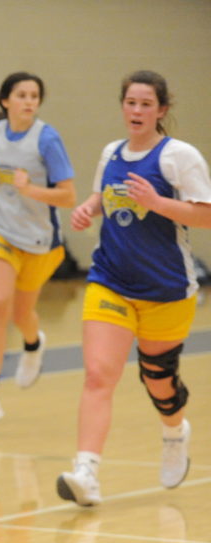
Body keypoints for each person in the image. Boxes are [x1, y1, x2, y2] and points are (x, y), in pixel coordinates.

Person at [56, 70, 211, 506]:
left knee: (158, 381)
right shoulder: (111, 153)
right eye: (130, 102)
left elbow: (206, 215)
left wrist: (157, 203)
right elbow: (102, 197)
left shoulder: (179, 156)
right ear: (122, 106)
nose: (137, 110)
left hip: (166, 288)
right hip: (111, 280)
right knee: (98, 374)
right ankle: (86, 472)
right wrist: (88, 209)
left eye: (146, 104)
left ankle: (174, 433)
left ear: (162, 110)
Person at [0, 72, 76, 425]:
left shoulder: (47, 139)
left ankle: (33, 344)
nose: (29, 101)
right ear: (5, 101)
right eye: (22, 95)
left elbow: (69, 196)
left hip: (38, 240)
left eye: (34, 96)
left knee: (21, 315)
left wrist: (31, 191)